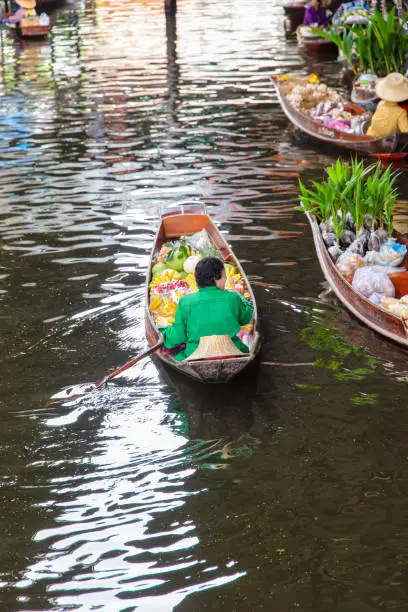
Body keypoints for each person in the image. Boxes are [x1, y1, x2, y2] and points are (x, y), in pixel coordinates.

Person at [160, 257, 253, 361]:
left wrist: (164, 333)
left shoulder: (185, 301)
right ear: (216, 279)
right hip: (233, 352)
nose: (226, 278)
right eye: (224, 276)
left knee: (174, 348)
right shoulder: (233, 297)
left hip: (196, 355)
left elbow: (177, 336)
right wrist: (241, 297)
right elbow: (247, 317)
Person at [367, 73, 408, 139]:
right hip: (387, 141)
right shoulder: (401, 112)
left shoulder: (381, 103)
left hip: (371, 135)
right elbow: (406, 132)